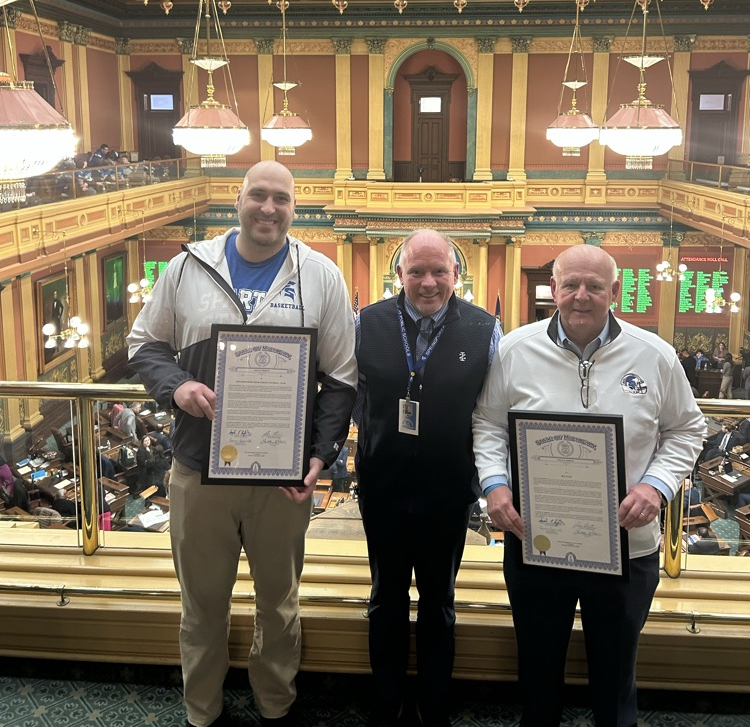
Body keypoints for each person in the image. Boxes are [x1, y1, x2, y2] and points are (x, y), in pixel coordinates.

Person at [127, 159, 357, 727]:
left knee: (278, 604)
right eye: (259, 195)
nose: (269, 208)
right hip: (199, 470)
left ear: (294, 207)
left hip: (281, 479)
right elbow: (143, 344)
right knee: (202, 602)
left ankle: (275, 704)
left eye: (282, 198)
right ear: (239, 198)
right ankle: (201, 710)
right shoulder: (187, 268)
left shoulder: (320, 275)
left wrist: (320, 456)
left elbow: (342, 378)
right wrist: (176, 385)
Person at [473, 243, 705, 727]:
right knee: (537, 675)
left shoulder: (655, 355)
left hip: (628, 543)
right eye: (571, 284)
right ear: (552, 288)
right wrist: (495, 485)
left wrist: (656, 486)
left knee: (615, 676)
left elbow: (688, 429)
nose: (582, 296)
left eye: (595, 286)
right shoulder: (516, 349)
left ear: (614, 292)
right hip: (535, 540)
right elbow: (488, 423)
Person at [355, 229, 501, 727]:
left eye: (440, 270)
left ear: (457, 275)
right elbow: (351, 393)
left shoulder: (486, 330)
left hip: (447, 495)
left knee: (439, 602)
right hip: (383, 492)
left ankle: (434, 704)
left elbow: (493, 411)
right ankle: (387, 700)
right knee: (385, 599)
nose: (428, 281)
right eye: (416, 270)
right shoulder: (367, 323)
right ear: (399, 275)